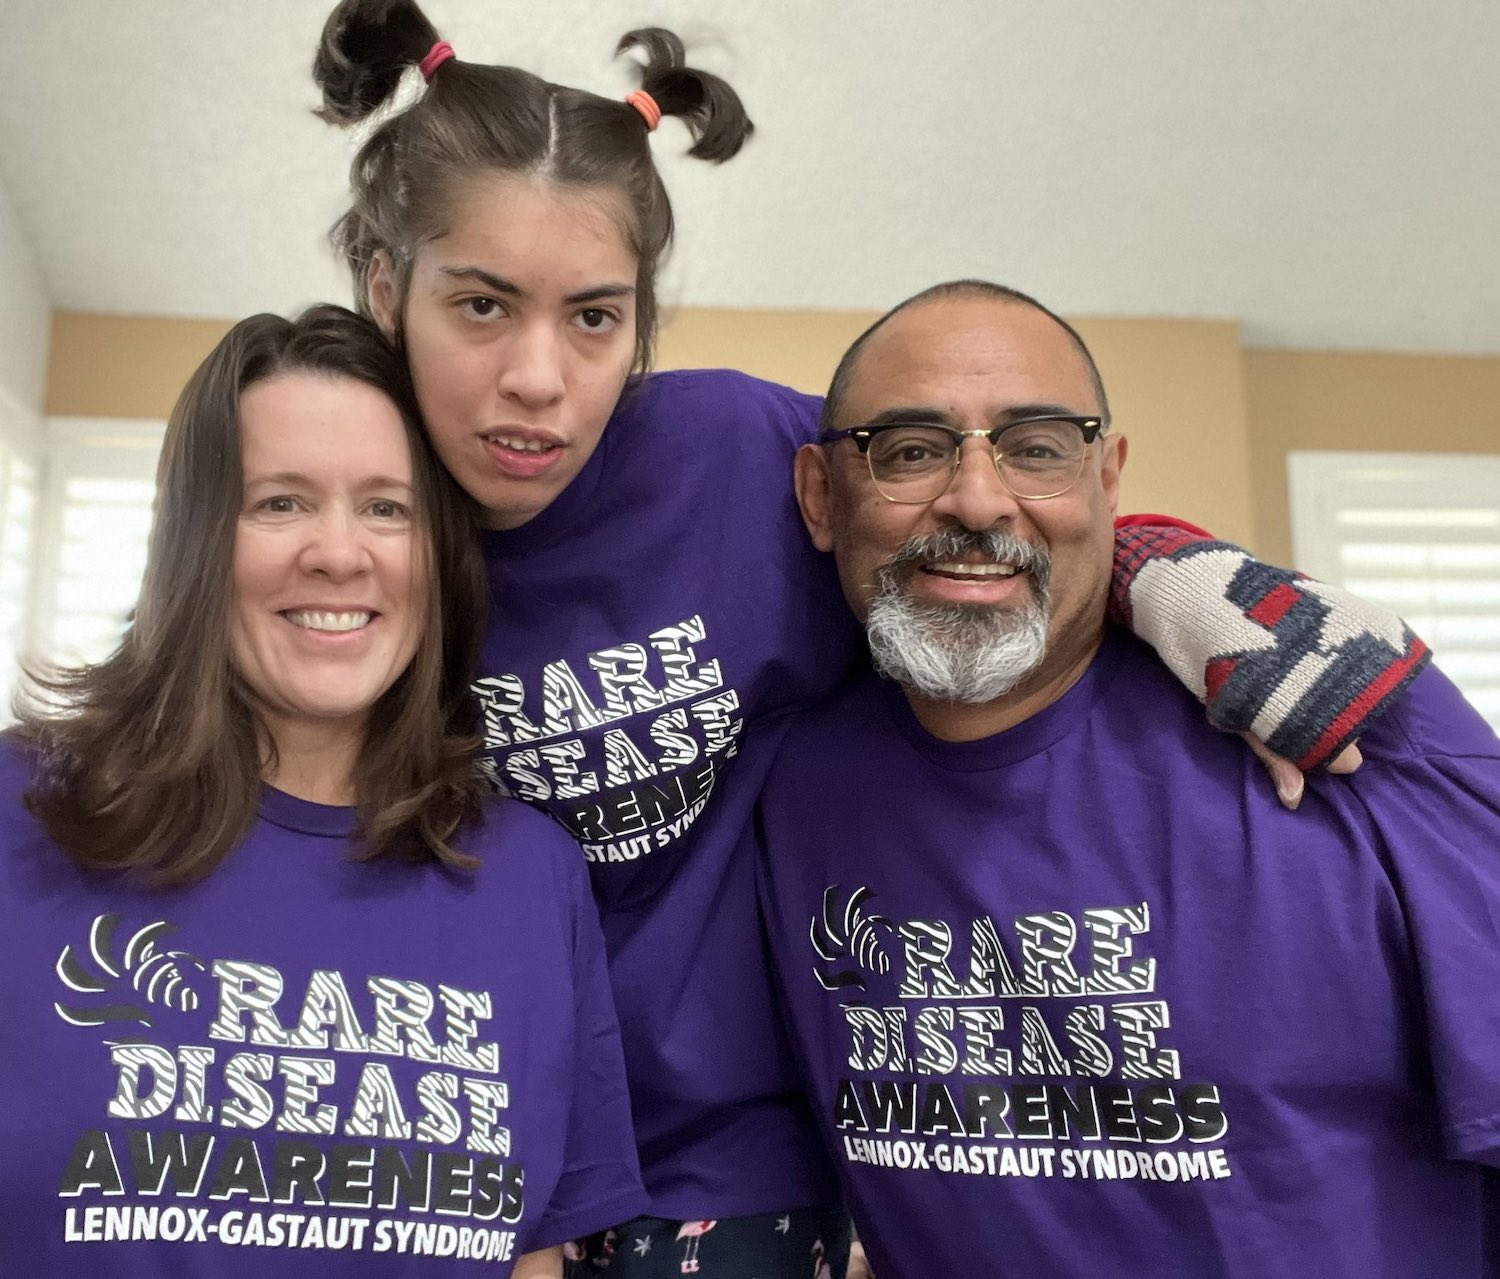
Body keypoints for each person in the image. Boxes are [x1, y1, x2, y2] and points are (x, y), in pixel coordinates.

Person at [305, 5, 1432, 1274]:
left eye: (594, 318)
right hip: (446, 1128)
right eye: (482, 306)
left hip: (734, 1159)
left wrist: (1164, 571)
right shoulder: (343, 520)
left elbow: (965, 499)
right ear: (387, 286)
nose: (537, 378)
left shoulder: (733, 459)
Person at [755, 279, 1500, 1276]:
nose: (978, 499)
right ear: (819, 494)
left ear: (1106, 480)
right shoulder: (779, 781)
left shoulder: (1349, 724)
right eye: (912, 449)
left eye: (1037, 447)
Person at [0, 306, 644, 1276]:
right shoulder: (22, 812)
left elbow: (532, 1259)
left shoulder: (534, 879)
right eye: (280, 502)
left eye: (387, 506)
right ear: (194, 542)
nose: (340, 554)